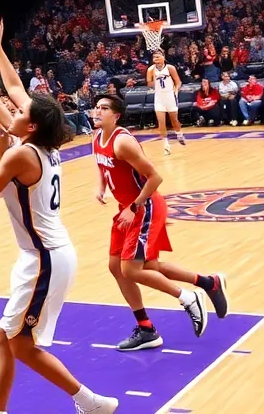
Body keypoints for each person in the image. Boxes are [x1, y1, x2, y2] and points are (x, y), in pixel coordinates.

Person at [0, 18, 118, 414]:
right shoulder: (40, 144)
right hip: (42, 254)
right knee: (4, 338)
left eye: (21, 112)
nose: (14, 107)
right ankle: (0, 409)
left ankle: (90, 401)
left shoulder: (20, 152)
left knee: (19, 344)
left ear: (29, 125)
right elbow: (12, 95)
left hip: (46, 257)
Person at [91, 95, 228, 351]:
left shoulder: (122, 143)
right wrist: (101, 188)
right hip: (127, 209)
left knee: (130, 269)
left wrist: (134, 207)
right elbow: (102, 167)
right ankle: (205, 286)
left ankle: (188, 298)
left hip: (145, 206)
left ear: (116, 115)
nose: (98, 111)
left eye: (105, 108)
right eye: (97, 107)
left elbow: (155, 177)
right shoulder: (96, 137)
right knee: (129, 266)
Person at [145, 50, 184, 155]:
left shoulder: (170, 68)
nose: (156, 59)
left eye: (158, 56)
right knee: (161, 123)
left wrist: (176, 91)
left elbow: (178, 82)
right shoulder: (151, 70)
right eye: (154, 57)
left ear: (163, 57)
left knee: (174, 121)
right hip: (159, 97)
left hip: (170, 96)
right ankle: (166, 146)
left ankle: (179, 134)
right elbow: (149, 84)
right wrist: (154, 78)